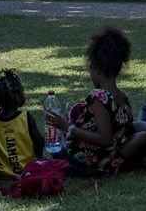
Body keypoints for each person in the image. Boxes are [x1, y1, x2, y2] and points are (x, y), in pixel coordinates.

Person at [46, 28, 135, 176]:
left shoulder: (100, 97)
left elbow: (104, 138)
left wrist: (68, 127)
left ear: (98, 68)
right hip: (105, 159)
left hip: (82, 162)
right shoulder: (122, 98)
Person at [0, 69, 45, 178]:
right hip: (27, 169)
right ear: (18, 98)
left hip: (1, 173)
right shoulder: (26, 118)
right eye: (22, 91)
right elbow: (40, 142)